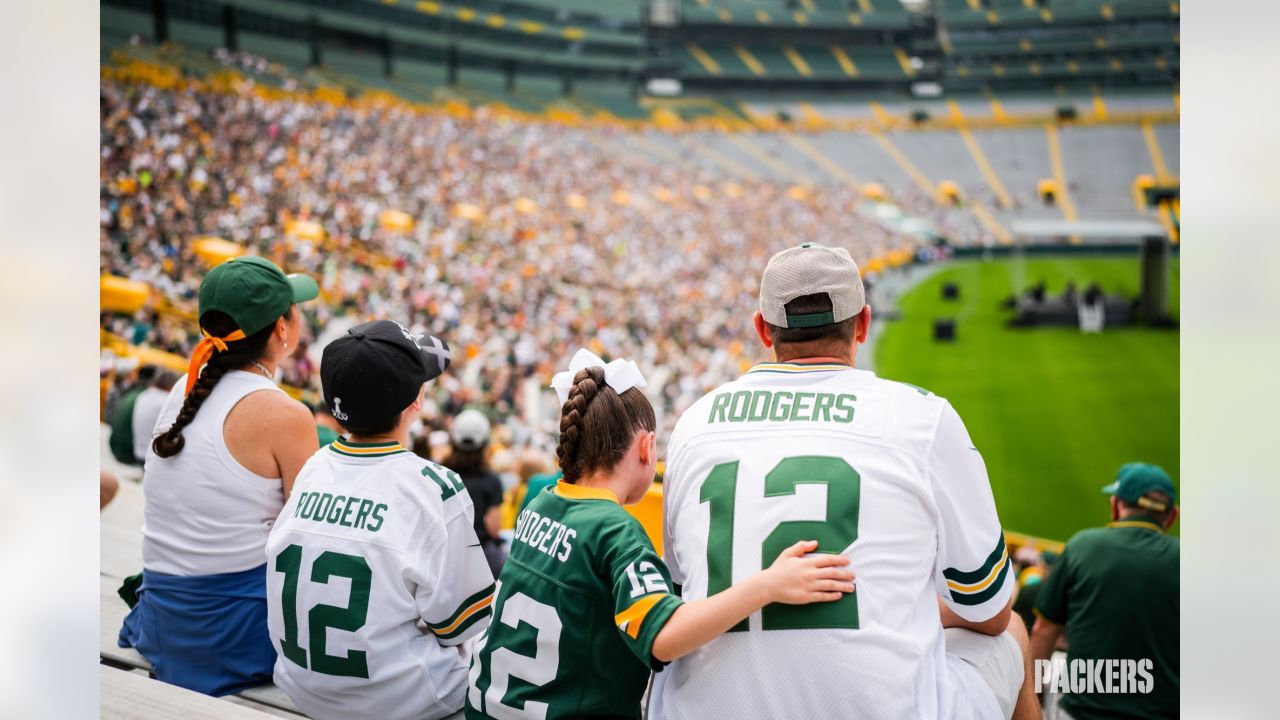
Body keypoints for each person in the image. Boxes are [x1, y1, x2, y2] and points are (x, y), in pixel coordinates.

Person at [656, 243, 1040, 720]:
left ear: (762, 329)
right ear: (862, 323)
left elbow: (682, 594)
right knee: (1014, 634)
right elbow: (989, 612)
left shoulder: (694, 423)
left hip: (703, 708)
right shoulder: (922, 417)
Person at [466, 349, 855, 720]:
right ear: (646, 446)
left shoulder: (541, 505)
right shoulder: (613, 530)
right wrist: (768, 585)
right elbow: (664, 636)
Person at [267, 320, 494, 720]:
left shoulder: (314, 466)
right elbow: (461, 627)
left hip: (301, 686)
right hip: (398, 700)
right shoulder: (435, 487)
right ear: (416, 401)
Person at [118, 255, 321, 696]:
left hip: (162, 618)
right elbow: (309, 536)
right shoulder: (287, 415)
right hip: (232, 635)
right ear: (282, 330)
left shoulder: (183, 388)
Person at [1031, 463, 1179, 719]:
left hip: (1083, 712)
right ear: (1172, 515)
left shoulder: (1082, 546)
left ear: (1115, 506)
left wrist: (1033, 697)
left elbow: (1043, 632)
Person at [445, 409, 508, 576]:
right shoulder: (491, 480)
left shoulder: (441, 473)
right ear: (485, 443)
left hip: (444, 552)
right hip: (481, 554)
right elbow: (494, 527)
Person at [131, 369, 179, 464]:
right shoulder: (167, 401)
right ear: (172, 385)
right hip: (151, 457)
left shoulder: (144, 395)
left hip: (138, 452)